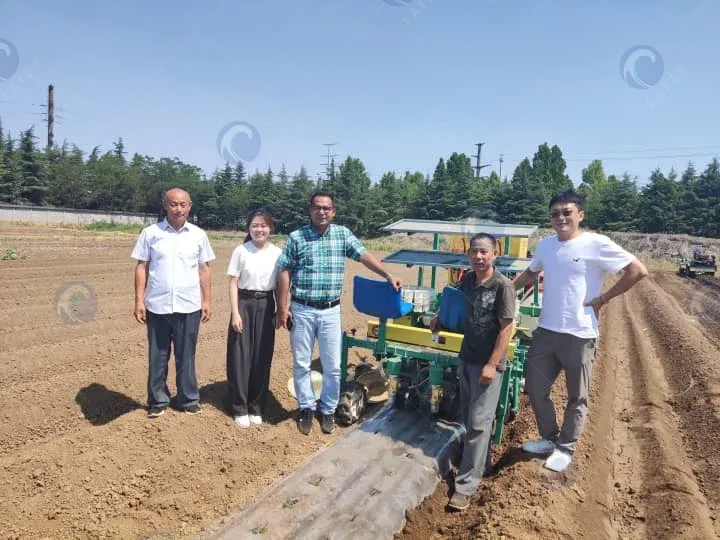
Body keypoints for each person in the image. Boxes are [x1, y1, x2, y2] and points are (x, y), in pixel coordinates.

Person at [512, 190, 648, 472]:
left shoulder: (596, 243)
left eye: (567, 212)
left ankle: (566, 447)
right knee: (536, 389)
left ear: (580, 215)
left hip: (580, 334)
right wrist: (502, 290)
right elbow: (529, 274)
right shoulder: (546, 246)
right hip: (547, 331)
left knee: (577, 396)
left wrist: (603, 298)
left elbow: (637, 270)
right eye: (555, 214)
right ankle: (549, 439)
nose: (560, 218)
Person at [275, 191, 402, 436]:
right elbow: (284, 272)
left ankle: (328, 409)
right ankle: (306, 408)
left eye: (326, 208)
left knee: (333, 366)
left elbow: (364, 256)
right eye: (317, 207)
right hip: (301, 309)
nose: (322, 212)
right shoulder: (296, 237)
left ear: (333, 212)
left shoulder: (342, 235)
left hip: (330, 311)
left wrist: (387, 274)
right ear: (309, 210)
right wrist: (282, 308)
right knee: (302, 363)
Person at [429, 233, 516, 511]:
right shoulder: (467, 279)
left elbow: (506, 327)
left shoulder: (503, 286)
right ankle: (481, 462)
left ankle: (465, 487)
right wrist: (439, 318)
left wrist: (492, 364)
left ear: (494, 255)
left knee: (478, 423)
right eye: (474, 252)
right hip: (466, 358)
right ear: (468, 255)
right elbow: (454, 300)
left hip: (487, 365)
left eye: (484, 252)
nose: (479, 256)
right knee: (469, 419)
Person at [131, 188, 215, 418]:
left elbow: (204, 269)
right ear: (164, 206)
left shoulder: (198, 235)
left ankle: (188, 399)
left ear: (190, 206)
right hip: (157, 305)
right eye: (173, 204)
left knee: (186, 354)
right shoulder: (150, 233)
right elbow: (142, 267)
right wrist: (139, 300)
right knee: (157, 355)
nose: (178, 209)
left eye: (182, 205)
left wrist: (206, 299)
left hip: (189, 306)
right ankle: (157, 400)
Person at [225, 209, 282, 429]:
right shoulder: (241, 251)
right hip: (244, 303)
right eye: (254, 225)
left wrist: (279, 310)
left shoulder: (277, 252)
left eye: (263, 226)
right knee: (240, 355)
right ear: (249, 228)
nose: (259, 229)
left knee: (262, 356)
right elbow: (232, 282)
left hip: (267, 304)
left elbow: (278, 284)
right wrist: (235, 313)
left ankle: (256, 406)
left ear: (270, 228)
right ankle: (239, 407)